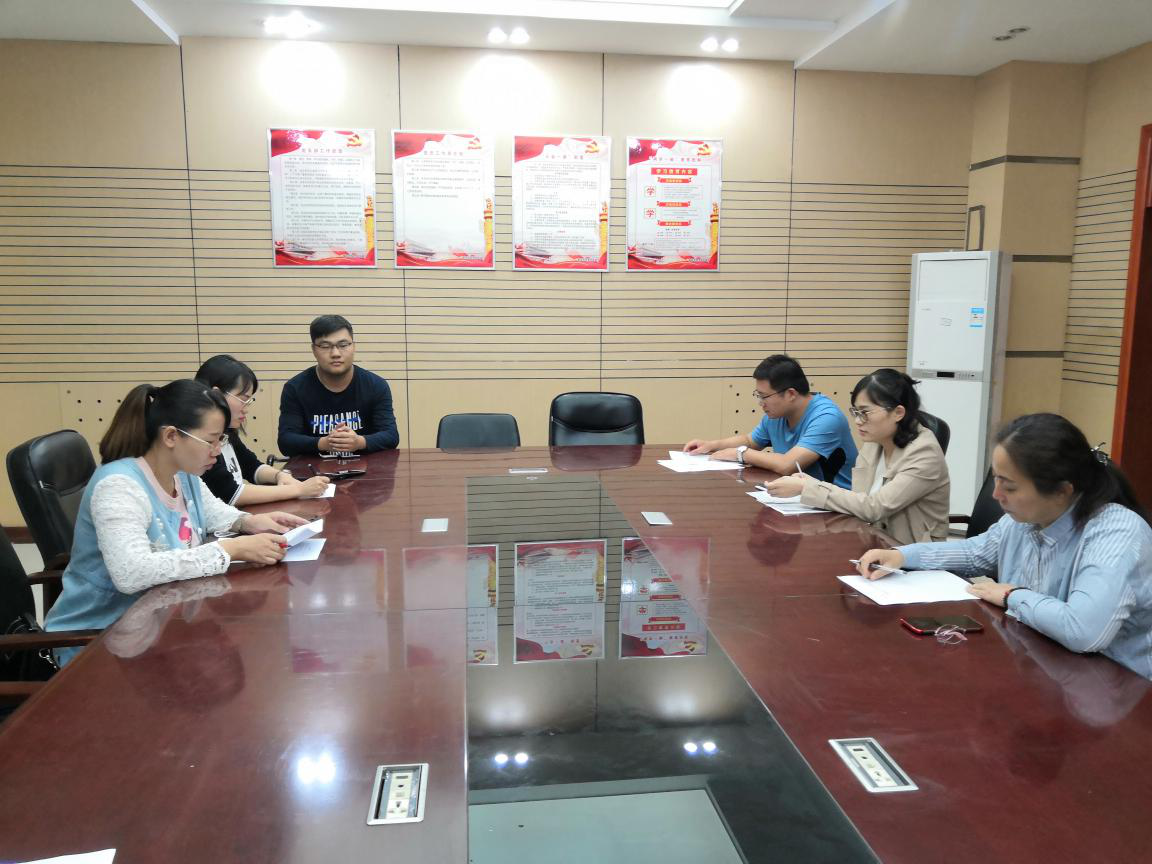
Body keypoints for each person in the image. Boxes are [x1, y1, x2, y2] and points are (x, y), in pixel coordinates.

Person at [856, 413, 1152, 680]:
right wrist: (901, 555)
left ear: (1062, 490)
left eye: (1009, 486)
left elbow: (1083, 631)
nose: (996, 495)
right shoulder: (1026, 519)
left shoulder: (1115, 532)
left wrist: (1012, 595)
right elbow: (973, 553)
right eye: (996, 480)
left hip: (1116, 690)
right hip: (1044, 667)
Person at [43, 380, 307, 664]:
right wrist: (231, 550)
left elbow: (212, 512)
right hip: (97, 642)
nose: (217, 450)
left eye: (221, 440)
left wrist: (249, 522)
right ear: (171, 436)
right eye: (210, 440)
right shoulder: (119, 486)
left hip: (156, 626)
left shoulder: (182, 474)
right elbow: (131, 574)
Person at [763, 369, 949, 544]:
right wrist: (810, 484)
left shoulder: (924, 453)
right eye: (856, 412)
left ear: (898, 413)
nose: (858, 421)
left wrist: (807, 488)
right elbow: (858, 498)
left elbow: (875, 507)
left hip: (913, 554)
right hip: (872, 541)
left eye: (865, 413)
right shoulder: (875, 441)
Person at [682, 354, 857, 488]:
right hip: (797, 499)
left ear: (790, 394)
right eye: (758, 395)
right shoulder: (778, 414)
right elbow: (750, 441)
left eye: (764, 396)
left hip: (835, 508)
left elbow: (788, 465)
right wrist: (712, 445)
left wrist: (740, 454)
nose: (760, 403)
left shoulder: (826, 418)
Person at [195, 354, 331, 505]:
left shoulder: (227, 433)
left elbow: (252, 467)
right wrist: (298, 490)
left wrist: (279, 476)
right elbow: (230, 494)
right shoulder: (200, 441)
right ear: (217, 395)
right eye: (243, 400)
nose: (246, 409)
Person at [277, 314, 399, 456]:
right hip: (312, 469)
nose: (335, 353)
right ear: (314, 350)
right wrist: (324, 443)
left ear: (353, 346)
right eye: (325, 346)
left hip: (368, 468)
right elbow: (286, 441)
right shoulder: (295, 388)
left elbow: (391, 435)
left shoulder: (376, 385)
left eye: (343, 345)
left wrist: (359, 442)